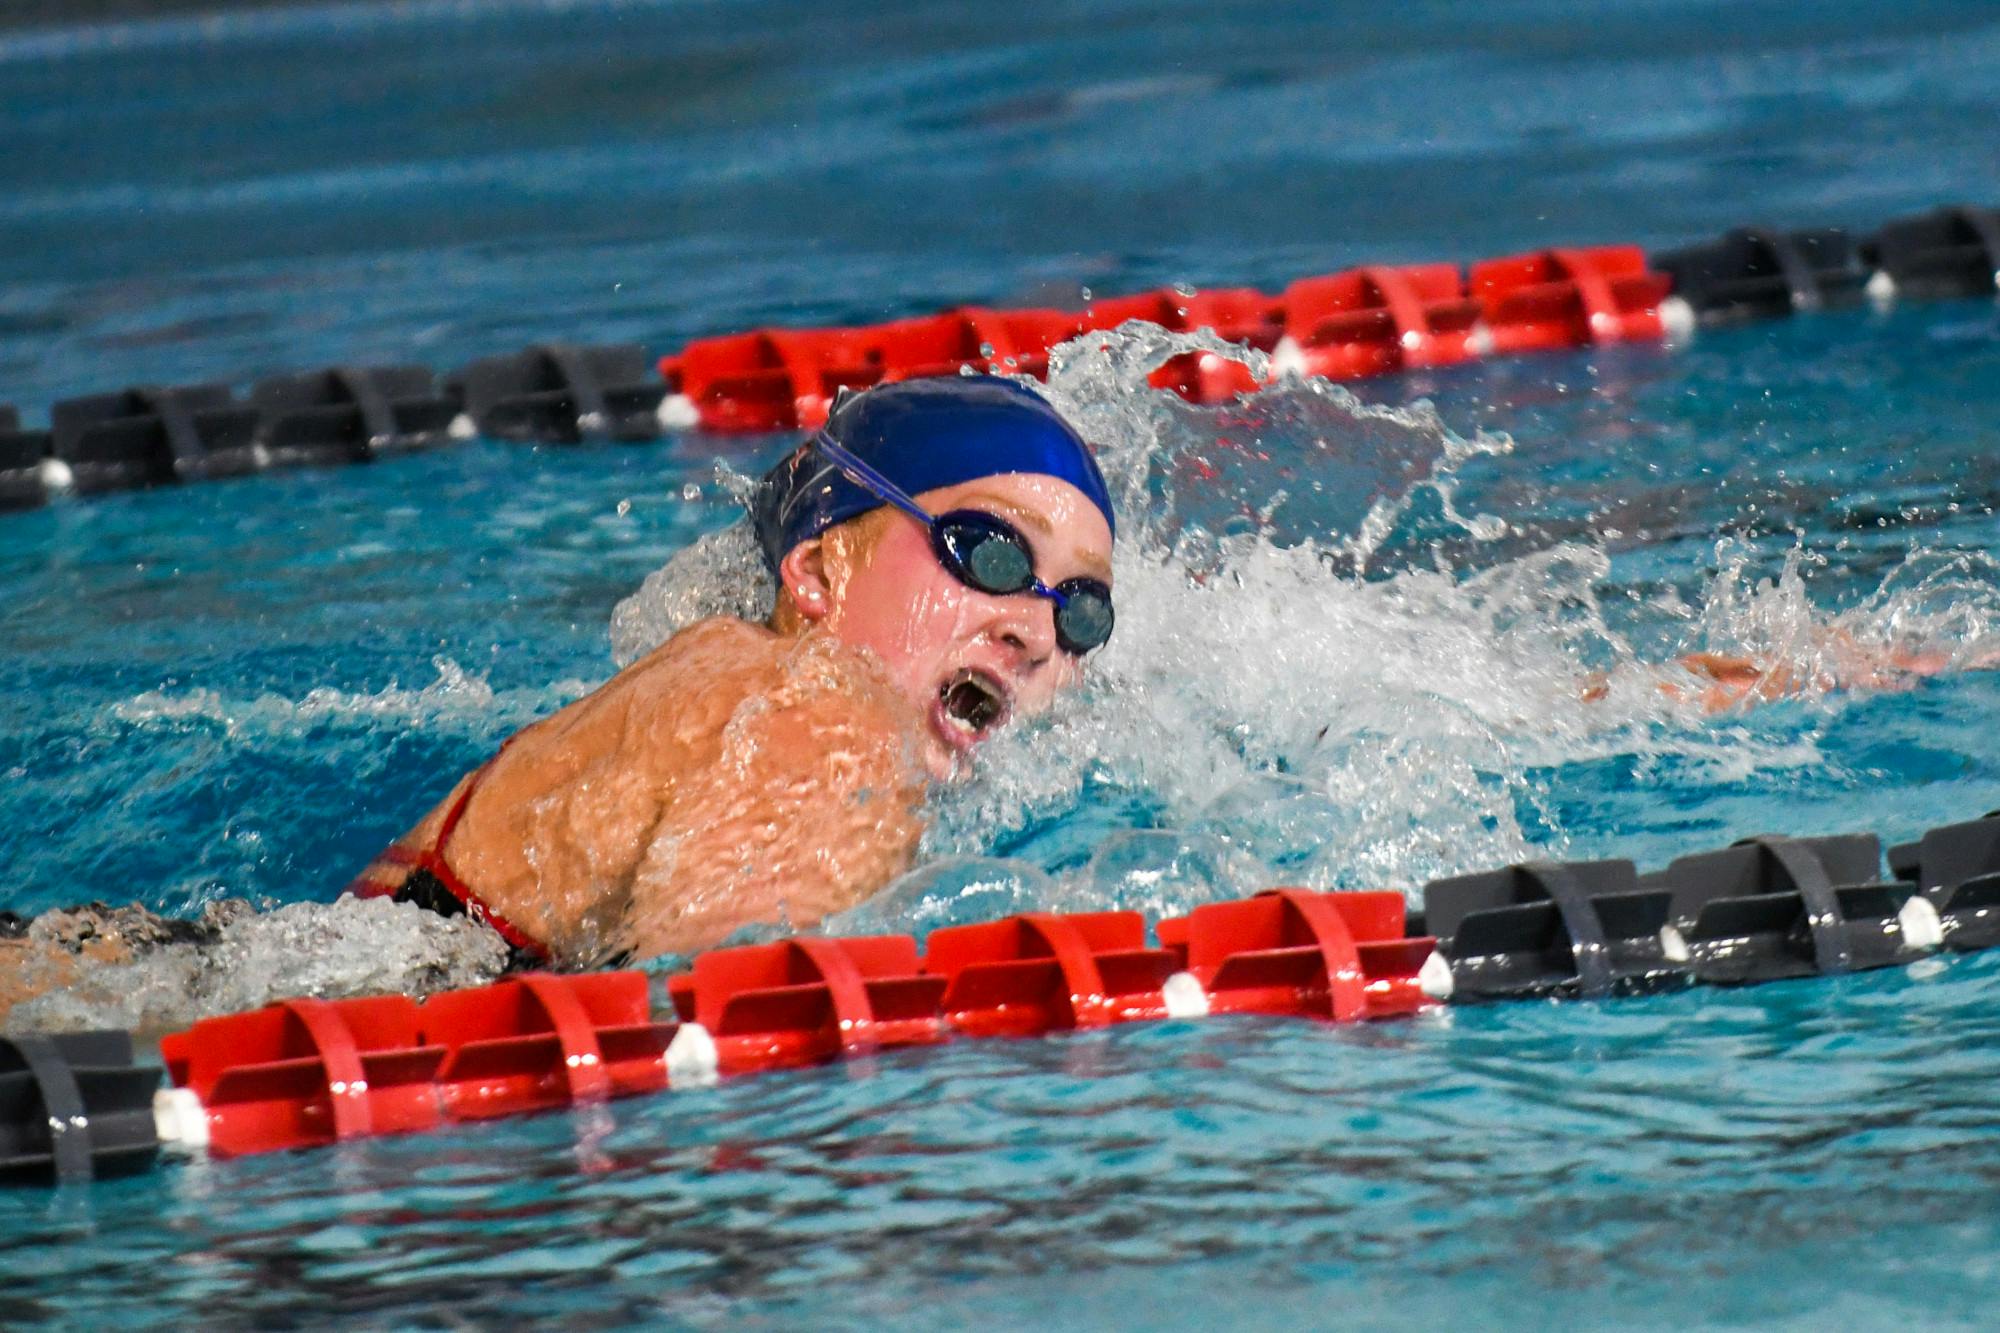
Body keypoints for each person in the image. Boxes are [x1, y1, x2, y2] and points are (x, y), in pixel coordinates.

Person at [344, 377, 1119, 966]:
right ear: (817, 570)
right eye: (991, 552)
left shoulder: (722, 676)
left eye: (1082, 609)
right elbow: (736, 1046)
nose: (1038, 631)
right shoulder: (821, 724)